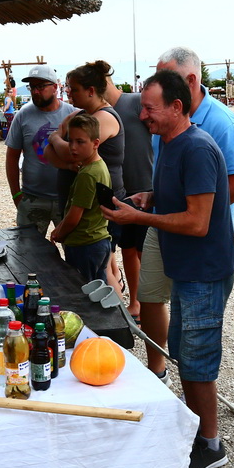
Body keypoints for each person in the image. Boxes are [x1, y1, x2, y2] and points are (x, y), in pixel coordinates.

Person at [103, 70, 234, 468]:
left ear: (177, 107)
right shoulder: (170, 141)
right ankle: (196, 428)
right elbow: (183, 197)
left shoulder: (196, 148)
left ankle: (210, 445)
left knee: (198, 359)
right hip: (186, 268)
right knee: (184, 350)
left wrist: (139, 217)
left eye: (150, 108)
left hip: (203, 271)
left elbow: (198, 222)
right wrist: (153, 197)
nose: (142, 115)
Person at [141, 47, 234, 383]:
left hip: (197, 241)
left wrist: (195, 210)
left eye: (167, 77)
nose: (143, 115)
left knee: (196, 344)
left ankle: (198, 406)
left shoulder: (217, 126)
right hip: (167, 226)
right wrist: (156, 198)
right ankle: (159, 372)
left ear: (188, 82)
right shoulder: (167, 127)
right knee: (155, 301)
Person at [48, 61, 125, 291]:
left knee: (100, 277)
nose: (69, 93)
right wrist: (62, 154)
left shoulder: (103, 118)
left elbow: (67, 151)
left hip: (94, 214)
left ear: (91, 91)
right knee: (104, 271)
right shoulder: (81, 116)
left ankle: (116, 312)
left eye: (74, 89)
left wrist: (56, 139)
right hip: (83, 211)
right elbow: (48, 153)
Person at [6, 66, 77, 237]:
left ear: (55, 87)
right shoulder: (23, 115)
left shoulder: (73, 115)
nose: (35, 91)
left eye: (40, 86)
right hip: (33, 198)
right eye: (32, 87)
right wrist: (17, 195)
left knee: (73, 248)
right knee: (28, 249)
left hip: (68, 198)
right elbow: (12, 157)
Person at [104, 75, 147, 321]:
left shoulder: (136, 101)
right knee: (127, 250)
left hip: (145, 188)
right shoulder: (98, 112)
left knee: (144, 252)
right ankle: (136, 304)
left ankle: (150, 306)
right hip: (121, 192)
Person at [50, 114, 112, 282]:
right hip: (99, 240)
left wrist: (60, 234)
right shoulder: (98, 166)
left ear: (96, 143)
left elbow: (74, 216)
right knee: (99, 290)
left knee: (82, 291)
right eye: (70, 141)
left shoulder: (88, 174)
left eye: (80, 142)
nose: (73, 147)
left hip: (85, 245)